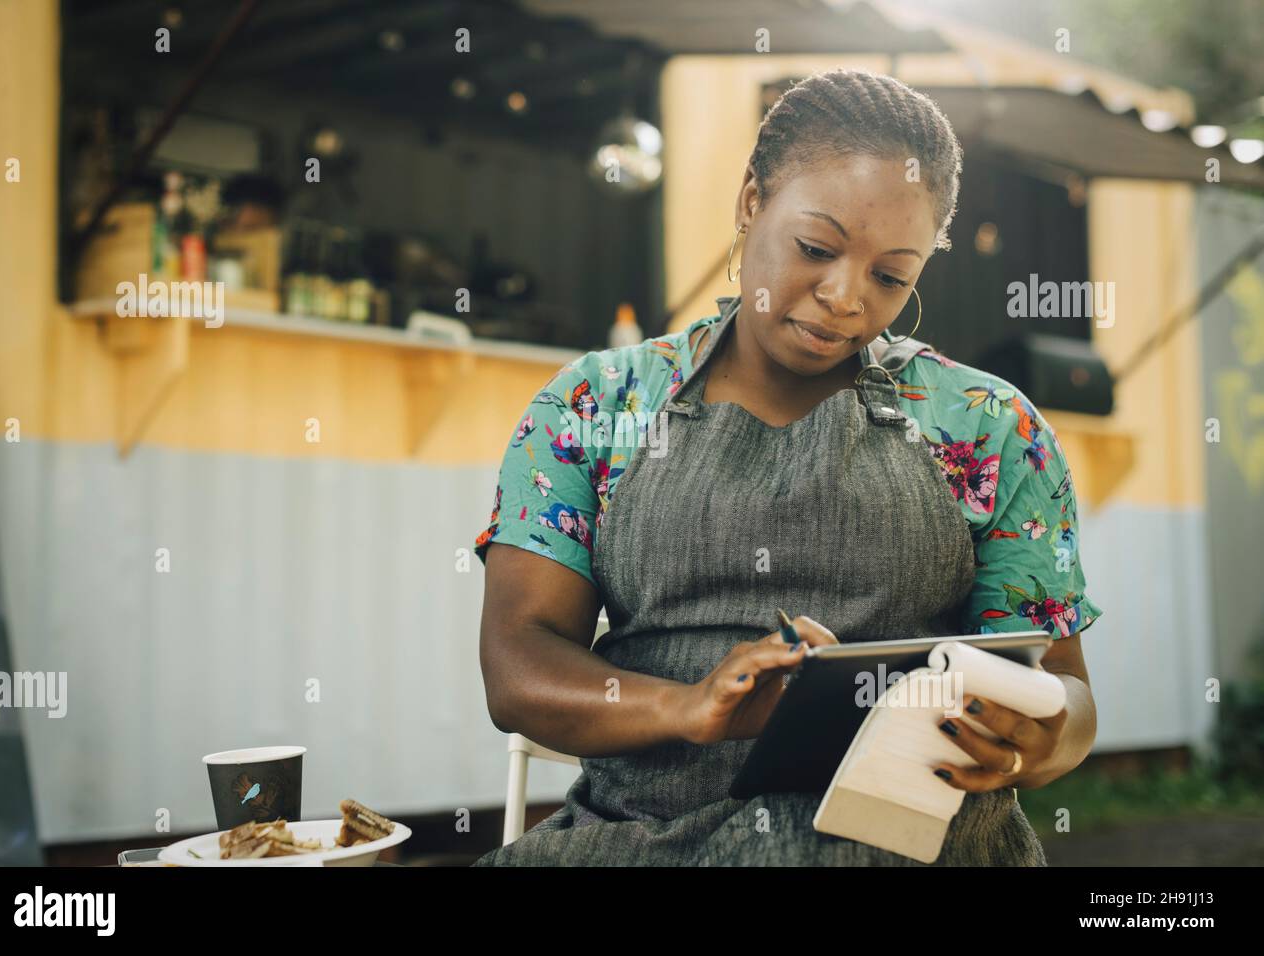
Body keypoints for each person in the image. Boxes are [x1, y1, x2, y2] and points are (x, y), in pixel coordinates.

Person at [471, 68, 1103, 866]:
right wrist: (690, 707)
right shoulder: (597, 406)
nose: (845, 297)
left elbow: (1067, 692)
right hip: (636, 843)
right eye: (816, 247)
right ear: (750, 200)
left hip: (901, 844)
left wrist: (1034, 743)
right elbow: (517, 667)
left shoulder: (989, 427)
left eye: (890, 277)